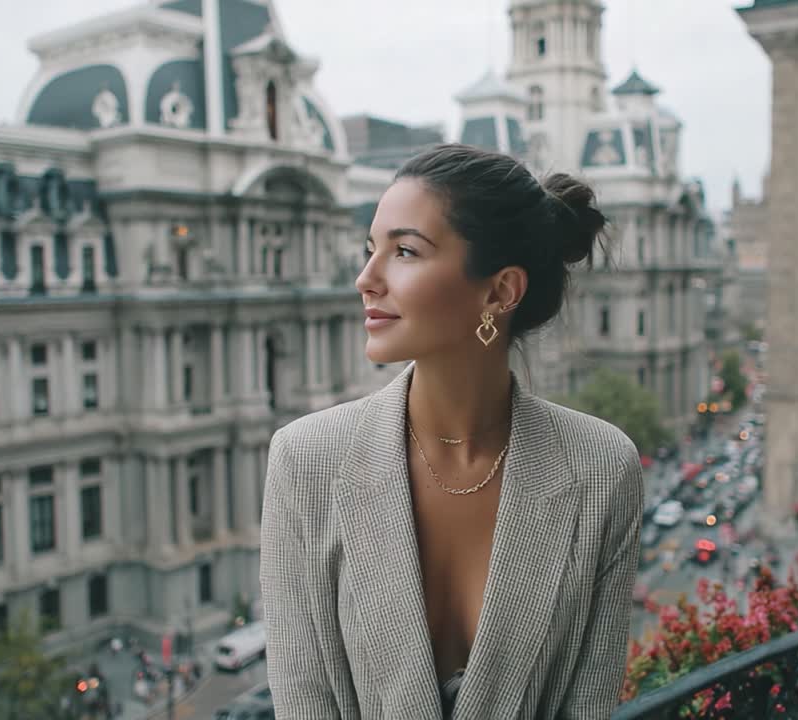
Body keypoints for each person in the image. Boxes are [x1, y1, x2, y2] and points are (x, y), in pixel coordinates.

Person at [260, 144, 645, 719]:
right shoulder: (305, 461)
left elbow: (587, 709)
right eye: (370, 251)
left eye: (405, 251)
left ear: (500, 291)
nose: (367, 279)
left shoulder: (602, 468)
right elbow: (304, 704)